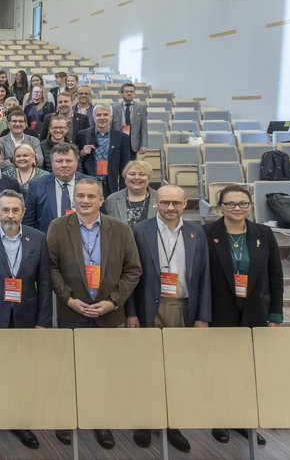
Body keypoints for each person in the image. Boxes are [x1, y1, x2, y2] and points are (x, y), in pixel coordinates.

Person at [46, 179, 142, 449]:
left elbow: (133, 270)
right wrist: (69, 299)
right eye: (80, 196)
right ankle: (67, 419)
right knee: (68, 370)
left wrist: (113, 302)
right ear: (73, 200)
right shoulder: (57, 227)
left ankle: (101, 422)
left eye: (91, 196)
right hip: (70, 312)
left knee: (103, 371)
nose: (85, 201)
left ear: (102, 200)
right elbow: (51, 267)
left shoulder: (121, 230)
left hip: (108, 314)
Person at [127, 184, 209, 453]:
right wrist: (132, 313)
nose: (170, 208)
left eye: (176, 203)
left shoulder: (197, 232)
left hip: (184, 307)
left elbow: (205, 277)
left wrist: (202, 316)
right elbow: (130, 276)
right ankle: (145, 421)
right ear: (156, 204)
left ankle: (173, 423)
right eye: (165, 203)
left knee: (178, 369)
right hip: (150, 307)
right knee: (145, 367)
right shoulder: (140, 231)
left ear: (185, 204)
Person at [0, 189, 50, 450]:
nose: (10, 215)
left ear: (23, 212)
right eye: (5, 210)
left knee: (22, 371)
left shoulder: (38, 238)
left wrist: (42, 322)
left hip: (27, 315)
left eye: (15, 210)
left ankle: (19, 421)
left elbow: (45, 284)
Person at [204, 184, 282, 446]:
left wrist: (276, 315)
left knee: (249, 371)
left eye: (242, 204)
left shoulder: (264, 233)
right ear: (220, 206)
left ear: (250, 206)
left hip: (254, 312)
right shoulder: (207, 233)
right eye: (230, 204)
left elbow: (275, 277)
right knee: (222, 368)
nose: (237, 208)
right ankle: (220, 420)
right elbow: (201, 278)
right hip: (221, 311)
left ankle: (245, 420)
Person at [23, 143, 89, 233]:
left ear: (77, 162)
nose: (64, 165)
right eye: (59, 161)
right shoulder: (37, 186)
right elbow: (28, 223)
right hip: (48, 242)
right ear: (52, 163)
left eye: (69, 161)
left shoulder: (91, 184)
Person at [76, 104, 132, 198]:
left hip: (112, 184)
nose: (102, 118)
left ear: (110, 117)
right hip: (89, 183)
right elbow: (75, 158)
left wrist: (123, 189)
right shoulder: (83, 135)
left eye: (105, 114)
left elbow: (125, 166)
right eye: (99, 115)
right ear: (94, 118)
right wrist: (82, 153)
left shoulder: (122, 137)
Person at [104, 160, 158, 225]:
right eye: (132, 174)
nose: (136, 177)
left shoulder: (159, 198)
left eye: (142, 174)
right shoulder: (112, 200)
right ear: (125, 177)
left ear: (149, 178)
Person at [112, 83, 148, 159]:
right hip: (118, 142)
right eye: (126, 91)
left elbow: (144, 128)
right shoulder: (114, 108)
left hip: (133, 143)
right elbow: (111, 126)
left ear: (134, 94)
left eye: (131, 92)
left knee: (131, 166)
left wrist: (144, 145)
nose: (129, 93)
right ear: (122, 94)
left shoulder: (142, 107)